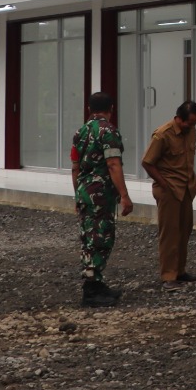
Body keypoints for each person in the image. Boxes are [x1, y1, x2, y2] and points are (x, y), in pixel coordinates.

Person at [71, 90, 134, 305]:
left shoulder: (80, 132)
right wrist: (124, 195)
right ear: (111, 109)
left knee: (89, 238)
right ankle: (91, 290)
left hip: (85, 192)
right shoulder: (108, 132)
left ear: (89, 109)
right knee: (100, 238)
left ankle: (96, 284)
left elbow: (75, 168)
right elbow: (113, 164)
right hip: (100, 194)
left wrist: (77, 195)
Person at [141, 99, 196, 290]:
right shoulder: (162, 134)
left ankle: (180, 271)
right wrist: (163, 183)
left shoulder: (190, 130)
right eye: (189, 122)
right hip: (169, 190)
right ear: (179, 118)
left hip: (186, 188)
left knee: (185, 229)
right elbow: (147, 162)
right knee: (170, 233)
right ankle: (168, 276)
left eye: (195, 123)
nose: (192, 126)